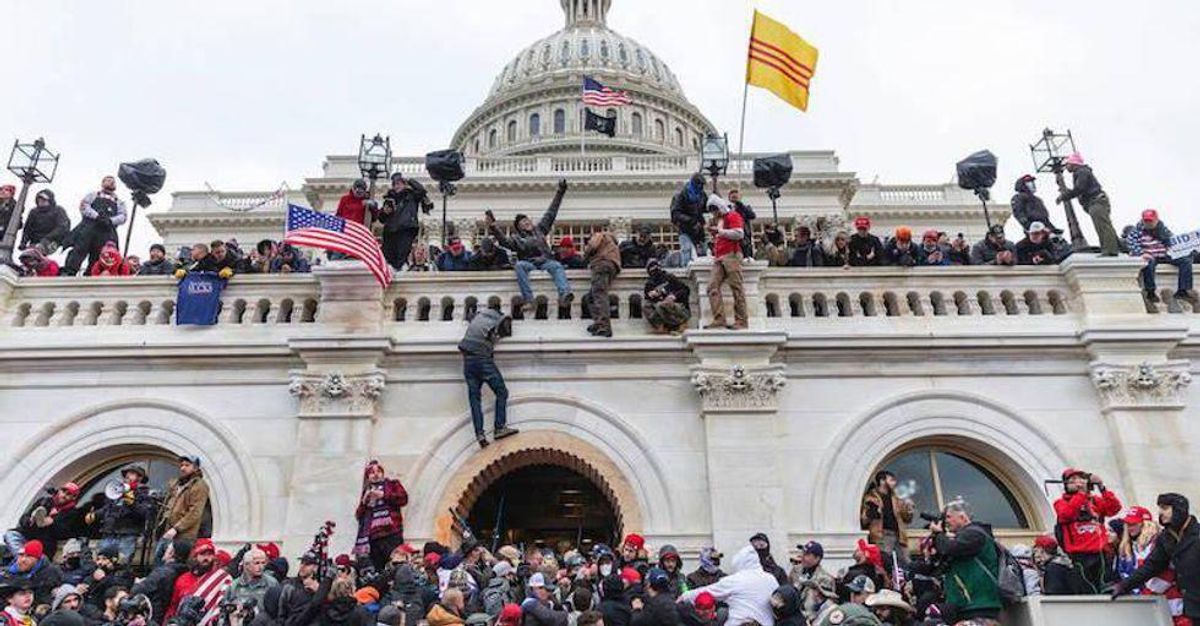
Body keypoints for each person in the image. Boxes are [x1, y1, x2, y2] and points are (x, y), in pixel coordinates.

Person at [486, 180, 573, 311]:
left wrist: (560, 192)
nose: (526, 222)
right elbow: (504, 242)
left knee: (556, 266)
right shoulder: (517, 239)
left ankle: (564, 293)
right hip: (529, 263)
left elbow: (551, 212)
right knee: (520, 266)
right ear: (519, 227)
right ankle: (529, 299)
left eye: (527, 220)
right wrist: (494, 227)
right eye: (522, 222)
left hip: (545, 261)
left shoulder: (540, 229)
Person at [1112, 493, 1200, 621]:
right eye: (1159, 508)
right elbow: (1152, 566)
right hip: (1192, 607)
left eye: (1165, 508)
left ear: (1178, 509)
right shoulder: (1166, 537)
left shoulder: (1197, 535)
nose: (1160, 513)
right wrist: (1123, 586)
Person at [928, 500, 1001, 623]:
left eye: (949, 517)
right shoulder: (964, 536)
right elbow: (941, 560)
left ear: (962, 516)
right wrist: (937, 538)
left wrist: (939, 534)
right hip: (966, 605)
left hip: (980, 605)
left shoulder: (974, 534)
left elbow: (949, 549)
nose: (946, 521)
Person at [1054, 467, 1122, 594]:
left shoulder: (1095, 500)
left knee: (1104, 586)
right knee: (1087, 588)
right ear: (1066, 484)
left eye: (1081, 478)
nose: (1078, 481)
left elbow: (1114, 508)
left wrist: (1102, 487)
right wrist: (1080, 494)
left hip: (1100, 551)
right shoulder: (1061, 502)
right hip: (1080, 554)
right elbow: (1066, 514)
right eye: (1073, 479)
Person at [458, 308, 518, 448]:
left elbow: (469, 316)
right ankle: (499, 427)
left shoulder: (478, 316)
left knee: (475, 399)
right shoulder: (500, 319)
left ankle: (480, 434)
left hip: (468, 360)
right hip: (482, 359)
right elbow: (507, 331)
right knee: (502, 392)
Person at [679, 545, 777, 626]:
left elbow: (710, 591)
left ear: (740, 562)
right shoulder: (771, 579)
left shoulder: (736, 580)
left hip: (740, 622)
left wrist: (684, 596)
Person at [1127, 209, 1197, 304]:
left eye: (1150, 221)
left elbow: (1173, 242)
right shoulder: (1136, 231)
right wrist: (1141, 253)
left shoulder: (1163, 230)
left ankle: (1183, 290)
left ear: (1156, 220)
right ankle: (1150, 291)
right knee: (1149, 265)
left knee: (1185, 261)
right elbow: (1131, 243)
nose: (1148, 223)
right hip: (1149, 255)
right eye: (1146, 221)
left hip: (1165, 254)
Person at [86, 465, 153, 564]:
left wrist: (132, 503)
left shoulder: (144, 494)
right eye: (127, 473)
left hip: (127, 534)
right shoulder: (116, 490)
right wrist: (95, 515)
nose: (127, 476)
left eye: (132, 473)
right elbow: (107, 509)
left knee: (122, 563)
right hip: (109, 532)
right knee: (102, 561)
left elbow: (145, 513)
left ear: (140, 478)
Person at [63, 176, 128, 276]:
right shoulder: (93, 195)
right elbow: (84, 206)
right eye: (108, 180)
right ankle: (69, 272)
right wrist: (97, 216)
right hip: (88, 228)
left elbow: (123, 216)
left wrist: (110, 220)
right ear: (103, 183)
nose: (111, 183)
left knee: (100, 255)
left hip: (107, 231)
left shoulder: (119, 202)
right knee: (79, 250)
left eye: (113, 182)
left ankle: (91, 275)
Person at [1058, 152, 1120, 256]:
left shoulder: (1081, 171)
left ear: (1073, 163)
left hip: (1096, 201)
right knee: (1104, 225)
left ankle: (1110, 250)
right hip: (1095, 201)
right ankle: (1116, 247)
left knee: (1102, 226)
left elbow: (1080, 188)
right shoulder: (1082, 172)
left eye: (1067, 164)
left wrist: (1064, 196)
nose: (1066, 167)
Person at [354, 461, 410, 573]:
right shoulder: (367, 491)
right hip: (373, 539)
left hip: (391, 533)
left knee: (396, 564)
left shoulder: (392, 484)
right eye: (372, 472)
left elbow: (403, 498)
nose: (376, 474)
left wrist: (384, 495)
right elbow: (358, 516)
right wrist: (364, 502)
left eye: (378, 471)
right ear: (368, 477)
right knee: (378, 569)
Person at [3, 483, 82, 558]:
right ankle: (24, 558)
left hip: (43, 544)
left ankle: (25, 559)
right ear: (59, 491)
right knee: (10, 534)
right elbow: (25, 517)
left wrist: (52, 523)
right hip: (27, 534)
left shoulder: (72, 512)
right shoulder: (44, 501)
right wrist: (29, 521)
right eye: (63, 491)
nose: (64, 495)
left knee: (34, 555)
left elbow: (65, 533)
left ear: (73, 498)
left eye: (68, 494)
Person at [704, 194, 748, 330]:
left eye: (714, 210)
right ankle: (719, 319)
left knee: (737, 287)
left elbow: (739, 233)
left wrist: (719, 231)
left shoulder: (732, 215)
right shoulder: (721, 220)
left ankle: (741, 321)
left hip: (732, 254)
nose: (714, 213)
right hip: (720, 256)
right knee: (712, 286)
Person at [380, 173, 433, 270]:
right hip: (391, 231)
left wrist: (409, 180)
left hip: (406, 229)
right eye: (394, 184)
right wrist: (384, 212)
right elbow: (381, 218)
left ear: (404, 184)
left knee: (402, 254)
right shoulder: (390, 198)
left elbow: (421, 190)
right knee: (388, 257)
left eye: (399, 183)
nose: (396, 186)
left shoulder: (412, 195)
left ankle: (400, 269)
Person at [860, 471, 914, 566]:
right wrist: (873, 511)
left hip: (899, 535)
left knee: (906, 563)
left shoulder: (896, 498)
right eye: (891, 480)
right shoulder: (871, 497)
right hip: (882, 535)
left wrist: (909, 509)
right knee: (885, 562)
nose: (894, 483)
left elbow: (907, 519)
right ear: (882, 481)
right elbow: (865, 519)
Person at [0, 540, 63, 610]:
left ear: (37, 559)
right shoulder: (5, 574)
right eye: (21, 555)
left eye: (28, 556)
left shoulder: (52, 573)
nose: (23, 559)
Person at [584, 227, 621, 338]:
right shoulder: (612, 244)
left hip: (602, 264)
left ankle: (604, 325)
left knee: (599, 294)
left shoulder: (600, 235)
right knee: (591, 297)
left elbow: (592, 246)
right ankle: (598, 322)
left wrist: (585, 255)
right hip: (611, 266)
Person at [670, 174, 708, 267]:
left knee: (703, 250)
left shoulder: (702, 195)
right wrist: (691, 221)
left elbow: (707, 207)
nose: (701, 187)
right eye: (699, 184)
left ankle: (703, 267)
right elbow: (675, 213)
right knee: (686, 249)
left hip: (698, 229)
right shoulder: (681, 195)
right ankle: (685, 268)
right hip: (685, 228)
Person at [642, 259, 690, 334]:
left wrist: (674, 296)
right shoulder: (649, 284)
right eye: (651, 268)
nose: (654, 270)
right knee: (647, 306)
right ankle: (661, 326)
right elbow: (648, 298)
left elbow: (685, 290)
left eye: (655, 267)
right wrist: (654, 296)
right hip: (661, 308)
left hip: (677, 306)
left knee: (663, 304)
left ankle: (682, 324)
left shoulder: (669, 277)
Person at [788, 542, 833, 621]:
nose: (803, 557)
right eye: (803, 553)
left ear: (817, 558)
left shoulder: (825, 578)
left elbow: (825, 606)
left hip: (810, 619)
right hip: (792, 617)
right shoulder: (795, 570)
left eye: (807, 555)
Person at [224, 548, 279, 613]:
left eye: (263, 563)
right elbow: (226, 608)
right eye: (257, 563)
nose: (261, 567)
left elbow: (278, 608)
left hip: (263, 621)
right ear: (246, 565)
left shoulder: (272, 583)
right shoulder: (234, 586)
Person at [20, 190, 70, 256]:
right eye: (39, 199)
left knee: (37, 253)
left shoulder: (58, 210)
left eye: (44, 199)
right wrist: (23, 242)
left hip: (52, 241)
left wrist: (47, 238)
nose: (41, 201)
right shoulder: (34, 212)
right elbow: (27, 229)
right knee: (26, 256)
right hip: (35, 241)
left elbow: (62, 227)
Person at [728, 188, 757, 259]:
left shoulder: (745, 208)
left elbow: (752, 216)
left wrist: (740, 205)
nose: (734, 199)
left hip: (744, 238)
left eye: (736, 197)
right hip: (731, 237)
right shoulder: (727, 209)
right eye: (733, 197)